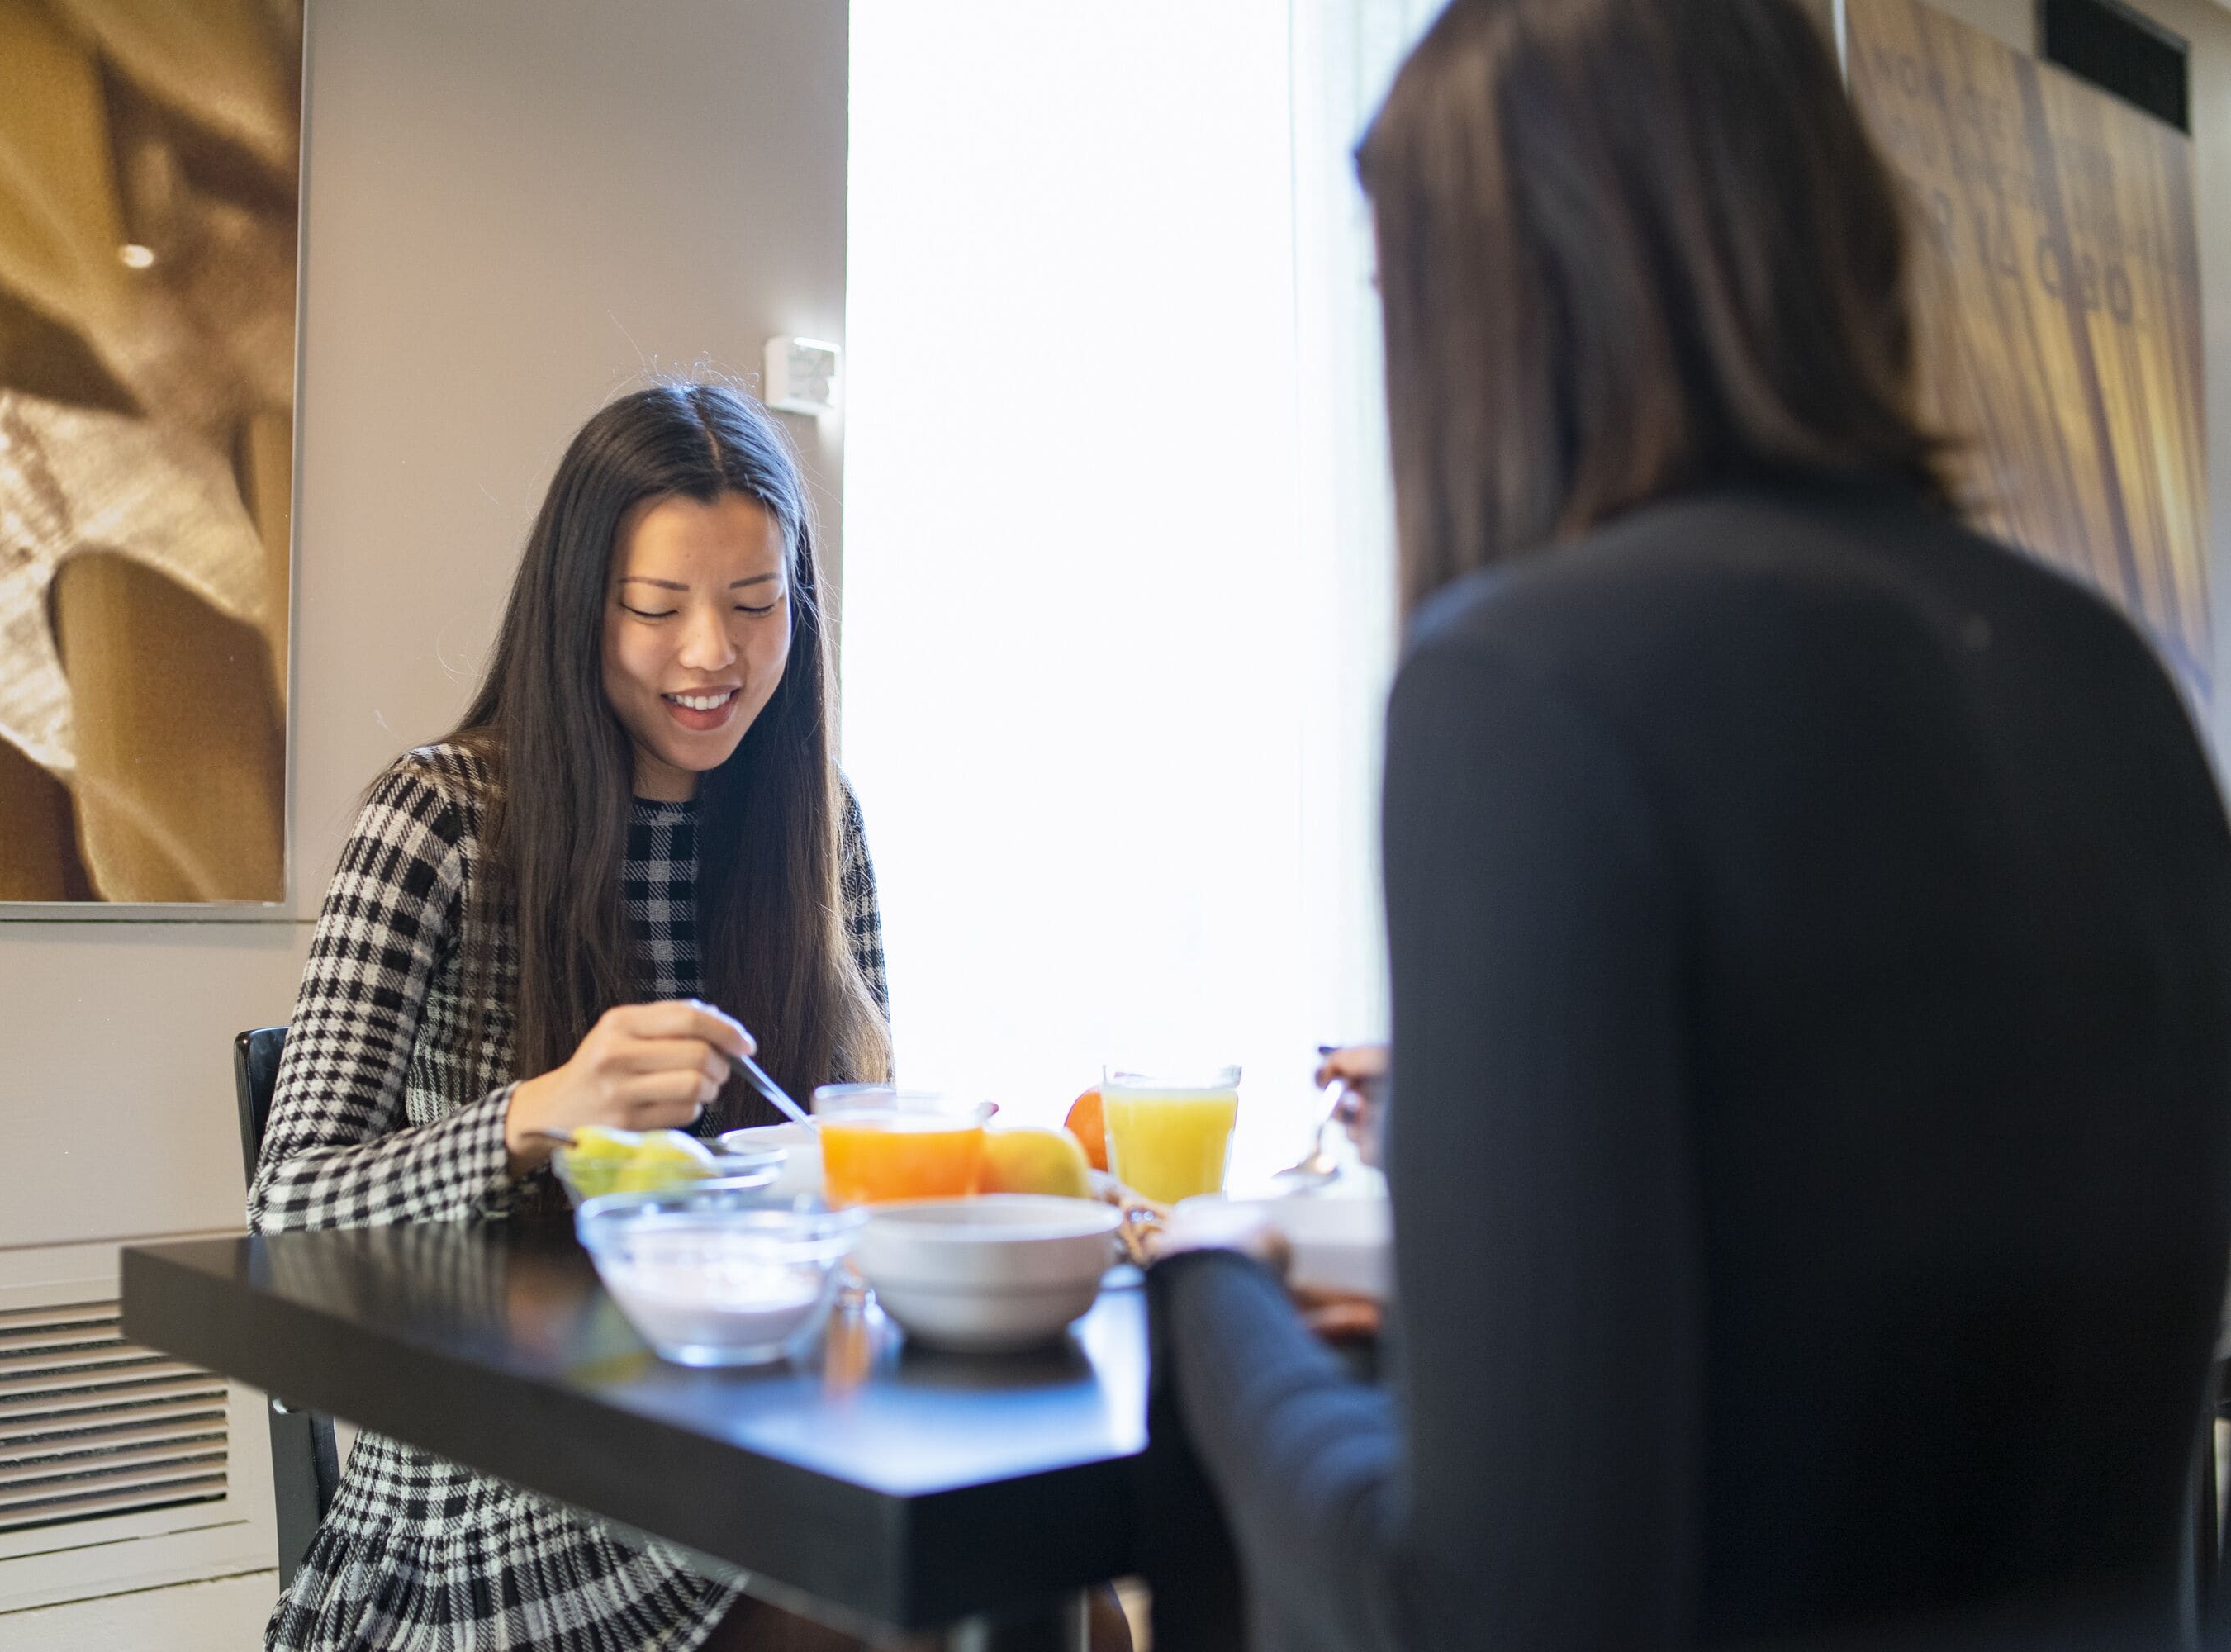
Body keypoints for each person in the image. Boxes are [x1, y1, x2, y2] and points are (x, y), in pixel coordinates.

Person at [1144, 2, 2231, 1649]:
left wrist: (1210, 1296)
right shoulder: (2113, 677)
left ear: (1494, 301)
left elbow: (1487, 1619)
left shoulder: (1519, 687)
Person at [248, 382, 893, 1651]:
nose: (714, 651)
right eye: (658, 608)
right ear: (577, 609)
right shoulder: (434, 822)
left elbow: (849, 1159)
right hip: (490, 1509)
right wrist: (542, 1113)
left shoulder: (820, 827)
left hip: (740, 1453)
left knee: (1063, 1606)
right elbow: (286, 1212)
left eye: (757, 605)